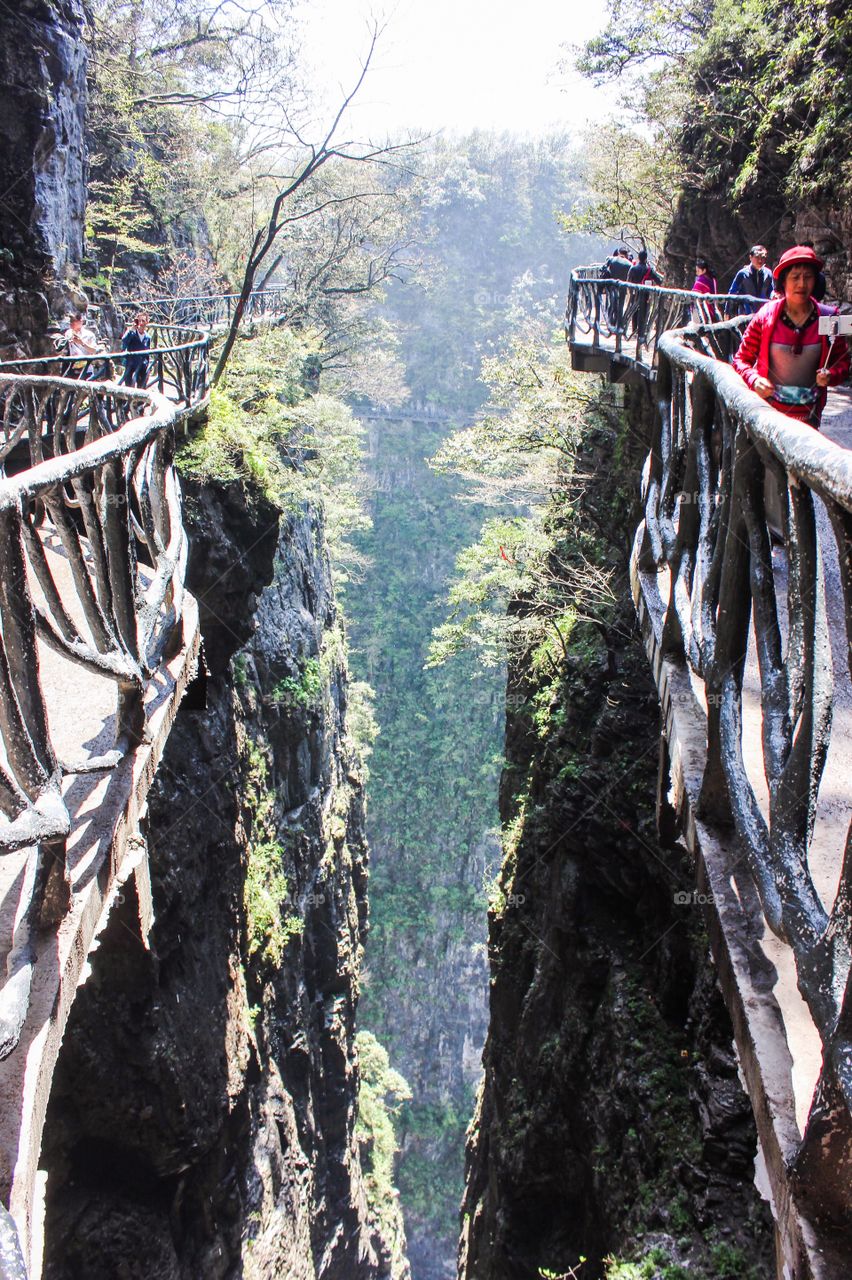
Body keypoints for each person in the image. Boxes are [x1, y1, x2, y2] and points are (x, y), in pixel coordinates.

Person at [732, 245, 849, 428]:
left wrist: (831, 375)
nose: (801, 284)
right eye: (795, 277)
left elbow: (843, 362)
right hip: (768, 420)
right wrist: (754, 380)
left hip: (811, 421)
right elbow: (741, 359)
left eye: (808, 277)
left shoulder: (830, 317)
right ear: (783, 281)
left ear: (816, 281)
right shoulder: (765, 316)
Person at [726, 245, 773, 316]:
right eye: (757, 257)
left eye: (763, 257)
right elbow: (732, 292)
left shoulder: (768, 273)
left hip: (763, 313)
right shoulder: (743, 274)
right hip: (746, 313)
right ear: (750, 257)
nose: (760, 260)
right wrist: (727, 311)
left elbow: (771, 291)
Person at [627, 249, 663, 341]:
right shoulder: (649, 270)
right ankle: (642, 332)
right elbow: (659, 281)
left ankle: (634, 330)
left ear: (638, 258)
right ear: (646, 258)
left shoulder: (633, 268)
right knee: (645, 311)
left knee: (634, 311)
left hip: (635, 294)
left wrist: (630, 292)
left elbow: (628, 281)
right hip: (646, 294)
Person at [64, 312, 109, 378]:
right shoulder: (68, 333)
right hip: (72, 367)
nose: (71, 324)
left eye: (74, 321)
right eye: (70, 321)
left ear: (81, 322)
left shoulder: (89, 335)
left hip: (86, 369)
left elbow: (94, 350)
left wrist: (82, 343)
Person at [121, 311, 151, 388]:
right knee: (129, 386)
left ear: (147, 322)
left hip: (142, 365)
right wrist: (131, 330)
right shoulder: (131, 333)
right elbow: (124, 341)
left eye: (143, 321)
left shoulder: (147, 337)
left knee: (141, 387)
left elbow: (147, 352)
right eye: (139, 320)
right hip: (131, 364)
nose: (141, 323)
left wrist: (147, 364)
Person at [691, 257, 720, 322]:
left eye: (698, 271)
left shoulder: (701, 280)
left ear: (704, 270)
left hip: (702, 308)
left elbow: (694, 294)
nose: (696, 273)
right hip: (712, 307)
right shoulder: (712, 279)